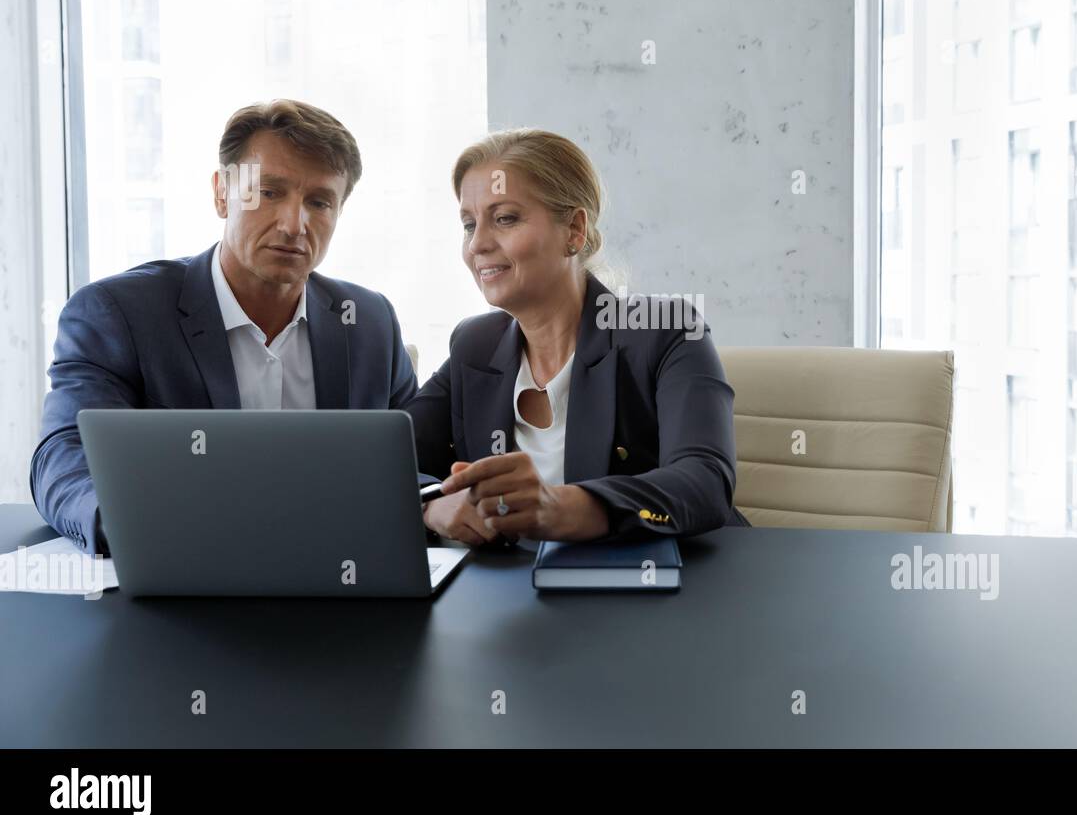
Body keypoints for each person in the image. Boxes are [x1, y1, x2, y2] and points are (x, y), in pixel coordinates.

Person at [30, 99, 418, 554]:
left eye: (319, 202)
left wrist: (450, 499)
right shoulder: (118, 313)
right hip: (183, 585)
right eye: (269, 192)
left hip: (338, 582)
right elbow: (63, 458)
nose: (295, 224)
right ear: (221, 193)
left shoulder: (369, 321)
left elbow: (414, 462)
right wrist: (131, 523)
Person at [406, 128, 749, 546]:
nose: (477, 244)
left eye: (505, 218)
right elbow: (385, 460)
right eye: (468, 224)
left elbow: (705, 482)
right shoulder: (474, 345)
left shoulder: (665, 331)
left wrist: (563, 507)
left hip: (663, 588)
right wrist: (431, 504)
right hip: (517, 597)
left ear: (574, 229)